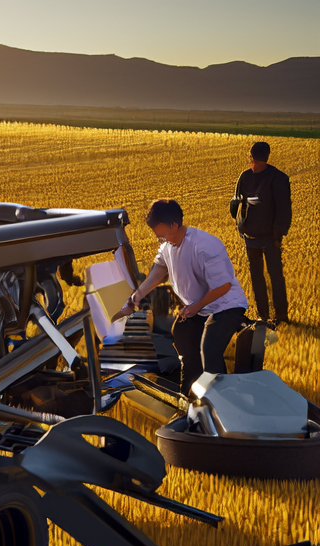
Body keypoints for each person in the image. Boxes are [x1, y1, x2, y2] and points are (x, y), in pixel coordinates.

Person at [118, 199, 248, 395]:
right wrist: (133, 300)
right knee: (181, 333)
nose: (161, 240)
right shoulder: (167, 247)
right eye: (158, 237)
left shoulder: (205, 245)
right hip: (198, 308)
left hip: (225, 306)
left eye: (163, 235)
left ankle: (224, 400)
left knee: (209, 350)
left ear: (175, 224)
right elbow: (157, 275)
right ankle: (188, 392)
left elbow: (223, 287)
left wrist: (195, 307)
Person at [230, 141, 292, 325]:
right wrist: (239, 223)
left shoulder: (276, 178)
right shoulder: (248, 176)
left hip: (268, 238)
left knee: (273, 278)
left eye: (253, 157)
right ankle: (265, 316)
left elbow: (283, 209)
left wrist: (278, 235)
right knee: (260, 279)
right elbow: (237, 200)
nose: (253, 161)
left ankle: (280, 316)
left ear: (253, 156)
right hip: (253, 237)